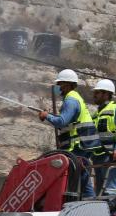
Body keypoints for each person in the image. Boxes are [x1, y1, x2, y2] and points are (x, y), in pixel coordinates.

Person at [37, 69, 99, 197]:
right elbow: (68, 123)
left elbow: (62, 122)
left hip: (78, 145)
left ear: (68, 84)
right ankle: (89, 202)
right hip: (83, 144)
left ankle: (86, 203)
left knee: (78, 177)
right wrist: (51, 116)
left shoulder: (70, 100)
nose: (58, 87)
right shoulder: (74, 98)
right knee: (82, 178)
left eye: (60, 84)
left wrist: (47, 116)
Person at [91, 79, 116, 196]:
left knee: (111, 189)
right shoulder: (96, 114)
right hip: (98, 156)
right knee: (100, 191)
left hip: (110, 155)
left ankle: (114, 212)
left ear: (106, 94)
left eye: (97, 93)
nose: (94, 95)